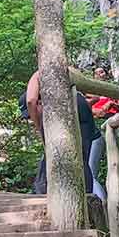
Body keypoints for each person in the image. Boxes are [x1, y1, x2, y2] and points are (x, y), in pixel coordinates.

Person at [23, 69, 102, 197]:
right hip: (81, 105)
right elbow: (95, 95)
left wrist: (39, 126)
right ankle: (85, 197)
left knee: (53, 154)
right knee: (82, 158)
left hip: (56, 105)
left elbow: (31, 100)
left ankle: (45, 194)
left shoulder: (40, 73)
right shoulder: (71, 70)